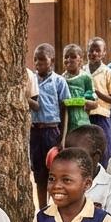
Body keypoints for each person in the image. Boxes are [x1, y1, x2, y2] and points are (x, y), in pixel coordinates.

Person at [30, 43, 70, 209]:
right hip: (35, 131)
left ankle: (56, 207)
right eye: (35, 60)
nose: (38, 64)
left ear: (51, 61)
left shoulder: (59, 81)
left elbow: (64, 109)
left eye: (42, 60)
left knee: (53, 171)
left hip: (52, 130)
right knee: (39, 173)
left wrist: (63, 136)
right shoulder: (31, 80)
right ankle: (42, 208)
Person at [65, 125, 111, 222]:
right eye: (68, 154)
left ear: (96, 156)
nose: (71, 161)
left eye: (78, 156)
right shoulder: (63, 182)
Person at [86, 37, 111, 167]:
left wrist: (98, 93)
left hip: (102, 117)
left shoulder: (108, 72)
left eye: (97, 50)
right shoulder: (82, 71)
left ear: (104, 53)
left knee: (106, 152)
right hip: (85, 117)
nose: (94, 53)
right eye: (91, 50)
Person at [62, 43, 94, 132]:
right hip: (66, 125)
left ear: (80, 60)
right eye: (66, 57)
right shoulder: (61, 79)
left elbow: (94, 103)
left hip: (82, 122)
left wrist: (83, 101)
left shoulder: (86, 78)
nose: (69, 59)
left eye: (73, 57)